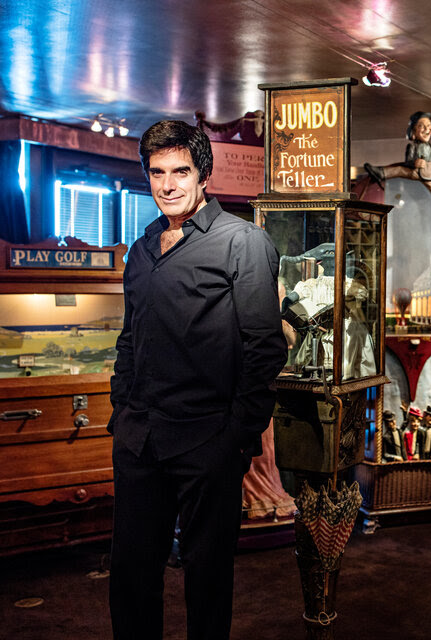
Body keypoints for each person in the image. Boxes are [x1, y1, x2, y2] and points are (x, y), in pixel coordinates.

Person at [107, 120, 288, 640]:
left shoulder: (243, 242)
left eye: (180, 171)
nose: (168, 184)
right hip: (140, 437)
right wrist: (122, 413)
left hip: (207, 440)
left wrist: (234, 437)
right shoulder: (141, 250)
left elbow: (265, 348)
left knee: (207, 582)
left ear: (203, 174)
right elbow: (129, 338)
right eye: (157, 172)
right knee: (132, 578)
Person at [364, 111, 431, 222]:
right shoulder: (412, 146)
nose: (427, 129)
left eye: (429, 126)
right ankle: (381, 173)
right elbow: (408, 160)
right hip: (418, 172)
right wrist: (414, 163)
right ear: (413, 131)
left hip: (428, 174)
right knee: (402, 171)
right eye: (422, 127)